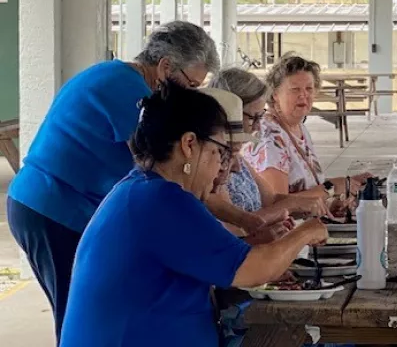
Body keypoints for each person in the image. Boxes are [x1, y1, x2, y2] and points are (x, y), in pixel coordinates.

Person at [6, 21, 268, 343]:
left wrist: (244, 220)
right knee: (82, 308)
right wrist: (244, 220)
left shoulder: (120, 77)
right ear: (165, 66)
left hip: (61, 202)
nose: (189, 96)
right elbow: (174, 174)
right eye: (190, 85)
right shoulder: (133, 94)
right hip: (52, 207)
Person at [60, 83, 329, 347]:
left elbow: (209, 259)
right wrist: (304, 233)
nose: (221, 169)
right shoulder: (162, 200)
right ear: (189, 144)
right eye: (218, 152)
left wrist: (257, 247)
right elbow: (253, 271)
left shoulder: (141, 190)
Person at [243, 56, 369, 214]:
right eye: (295, 89)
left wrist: (337, 196)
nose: (303, 95)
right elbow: (276, 205)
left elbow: (308, 187)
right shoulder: (269, 137)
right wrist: (331, 188)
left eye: (309, 89)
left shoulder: (298, 126)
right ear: (275, 94)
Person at [206, 68, 328, 219]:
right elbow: (234, 229)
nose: (258, 126)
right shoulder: (213, 163)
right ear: (229, 113)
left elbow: (271, 199)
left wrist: (313, 204)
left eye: (261, 116)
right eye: (253, 117)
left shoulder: (236, 155)